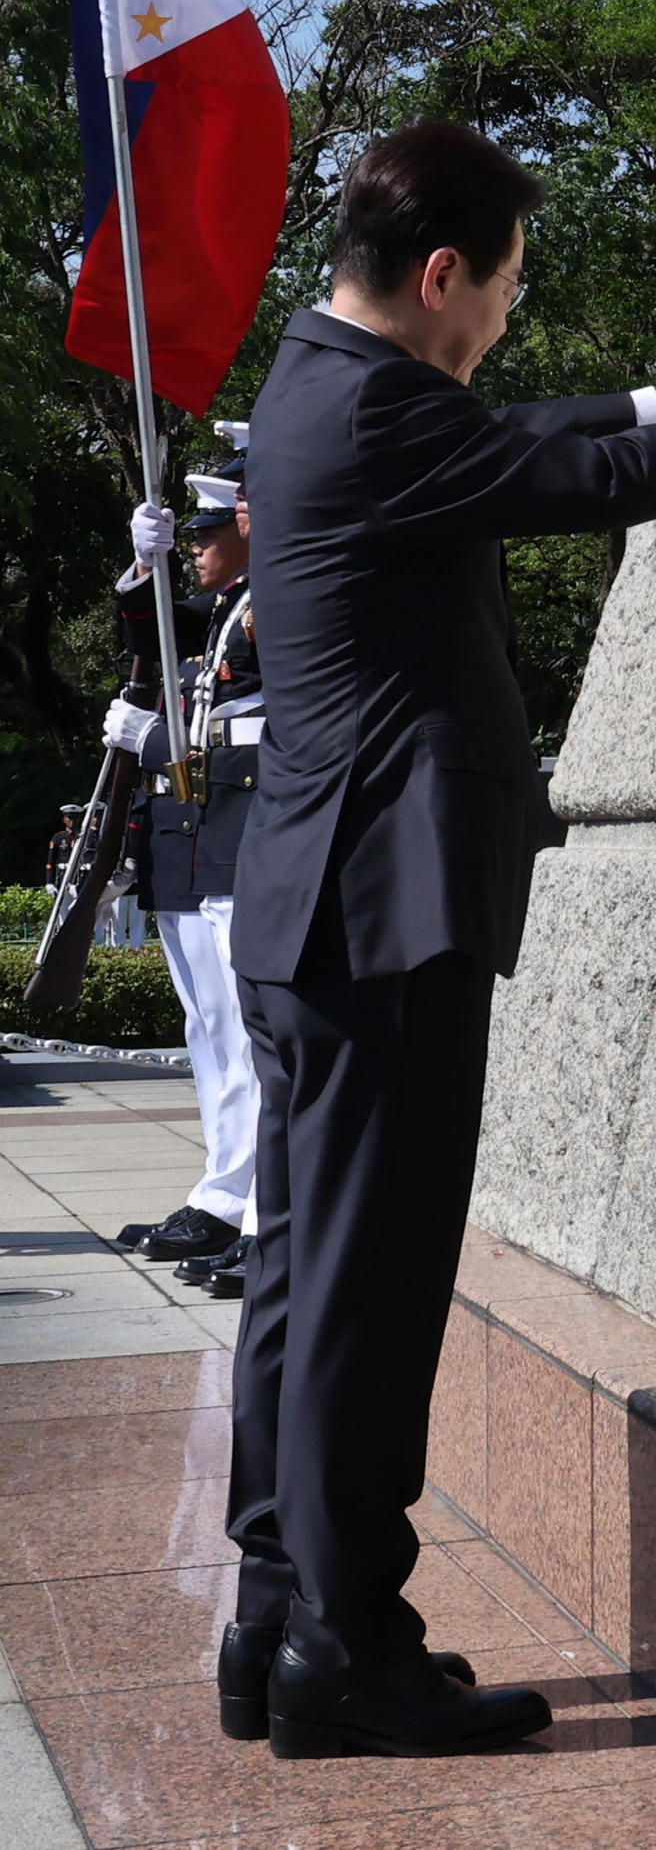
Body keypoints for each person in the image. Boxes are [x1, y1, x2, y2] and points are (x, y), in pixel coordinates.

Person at [225, 119, 656, 1760]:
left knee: (302, 1286)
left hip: (312, 913)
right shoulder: (375, 415)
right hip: (387, 919)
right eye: (504, 287)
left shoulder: (321, 379)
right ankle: (349, 1647)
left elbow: (501, 439)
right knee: (369, 1295)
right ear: (441, 274)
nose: (507, 316)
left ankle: (274, 1611)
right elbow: (559, 483)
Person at [104, 467, 262, 1286]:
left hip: (240, 827)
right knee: (211, 1031)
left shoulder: (272, 597)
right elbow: (154, 635)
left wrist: (157, 744)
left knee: (248, 1035)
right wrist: (143, 567)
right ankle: (224, 1194)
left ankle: (261, 1210)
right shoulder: (229, 608)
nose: (197, 544)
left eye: (209, 530)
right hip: (198, 838)